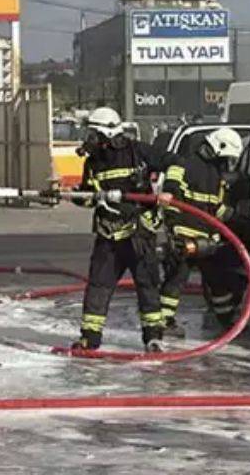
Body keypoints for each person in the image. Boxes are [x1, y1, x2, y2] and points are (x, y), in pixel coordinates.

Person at [70, 107, 177, 353]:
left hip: (139, 232)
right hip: (108, 234)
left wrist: (169, 189)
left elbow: (175, 162)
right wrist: (73, 196)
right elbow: (90, 197)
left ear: (108, 133)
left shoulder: (139, 152)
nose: (90, 139)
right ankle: (90, 338)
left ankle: (153, 338)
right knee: (98, 286)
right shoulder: (93, 162)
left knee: (147, 285)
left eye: (94, 134)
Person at [156, 127, 246, 337]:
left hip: (206, 239)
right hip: (184, 235)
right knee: (176, 279)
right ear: (218, 148)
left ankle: (226, 318)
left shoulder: (216, 177)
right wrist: (169, 203)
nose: (227, 164)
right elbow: (171, 184)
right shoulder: (184, 163)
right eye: (226, 158)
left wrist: (240, 219)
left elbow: (217, 208)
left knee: (217, 279)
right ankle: (162, 322)